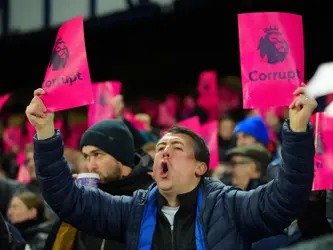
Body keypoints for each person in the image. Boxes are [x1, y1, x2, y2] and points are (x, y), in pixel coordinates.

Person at [26, 86, 317, 250]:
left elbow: (286, 196)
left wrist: (298, 129)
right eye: (161, 147)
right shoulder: (133, 212)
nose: (165, 151)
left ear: (200, 167)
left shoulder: (230, 207)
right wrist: (45, 133)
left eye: (177, 148)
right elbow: (69, 200)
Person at [44, 119, 154, 250]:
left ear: (121, 156)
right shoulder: (83, 197)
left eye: (98, 155)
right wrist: (72, 198)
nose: (91, 166)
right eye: (87, 157)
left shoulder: (149, 198)